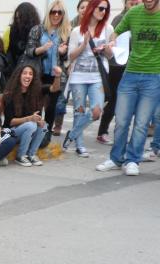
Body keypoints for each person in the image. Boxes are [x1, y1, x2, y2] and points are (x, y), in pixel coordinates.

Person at [95, 0, 160, 175]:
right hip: (129, 74)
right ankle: (116, 158)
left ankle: (133, 160)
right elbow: (116, 32)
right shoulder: (133, 13)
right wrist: (112, 43)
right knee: (121, 121)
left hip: (154, 77)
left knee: (141, 123)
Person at [63, 0, 114, 157]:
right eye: (100, 8)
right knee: (79, 111)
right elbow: (70, 56)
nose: (103, 11)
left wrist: (106, 49)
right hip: (78, 77)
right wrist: (83, 44)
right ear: (92, 8)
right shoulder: (77, 31)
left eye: (106, 9)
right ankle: (79, 145)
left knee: (96, 111)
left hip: (97, 76)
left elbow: (111, 56)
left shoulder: (108, 29)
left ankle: (71, 135)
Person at [96, 0, 142, 145]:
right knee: (113, 99)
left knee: (126, 101)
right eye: (131, 3)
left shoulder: (142, 18)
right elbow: (113, 41)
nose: (134, 6)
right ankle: (102, 131)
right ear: (125, 4)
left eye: (136, 3)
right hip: (116, 66)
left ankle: (117, 133)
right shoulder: (120, 19)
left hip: (133, 66)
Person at [25, 0, 71, 134]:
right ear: (48, 13)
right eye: (53, 11)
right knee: (36, 105)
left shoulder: (66, 32)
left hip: (56, 76)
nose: (56, 15)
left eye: (59, 12)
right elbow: (29, 50)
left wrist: (62, 53)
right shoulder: (37, 29)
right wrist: (42, 49)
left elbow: (68, 58)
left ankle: (46, 134)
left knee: (51, 107)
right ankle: (33, 133)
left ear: (63, 14)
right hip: (38, 73)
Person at [3, 64, 62, 166]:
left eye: (30, 74)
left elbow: (54, 89)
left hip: (29, 131)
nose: (28, 76)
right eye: (25, 73)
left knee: (44, 126)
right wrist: (30, 119)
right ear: (19, 76)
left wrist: (57, 76)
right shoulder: (9, 94)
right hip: (12, 132)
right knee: (31, 125)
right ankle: (20, 156)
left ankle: (31, 154)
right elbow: (10, 122)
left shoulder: (36, 91)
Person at [6, 3, 42, 75]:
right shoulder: (13, 30)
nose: (18, 21)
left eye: (21, 18)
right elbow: (11, 52)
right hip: (15, 70)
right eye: (17, 18)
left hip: (32, 70)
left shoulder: (37, 30)